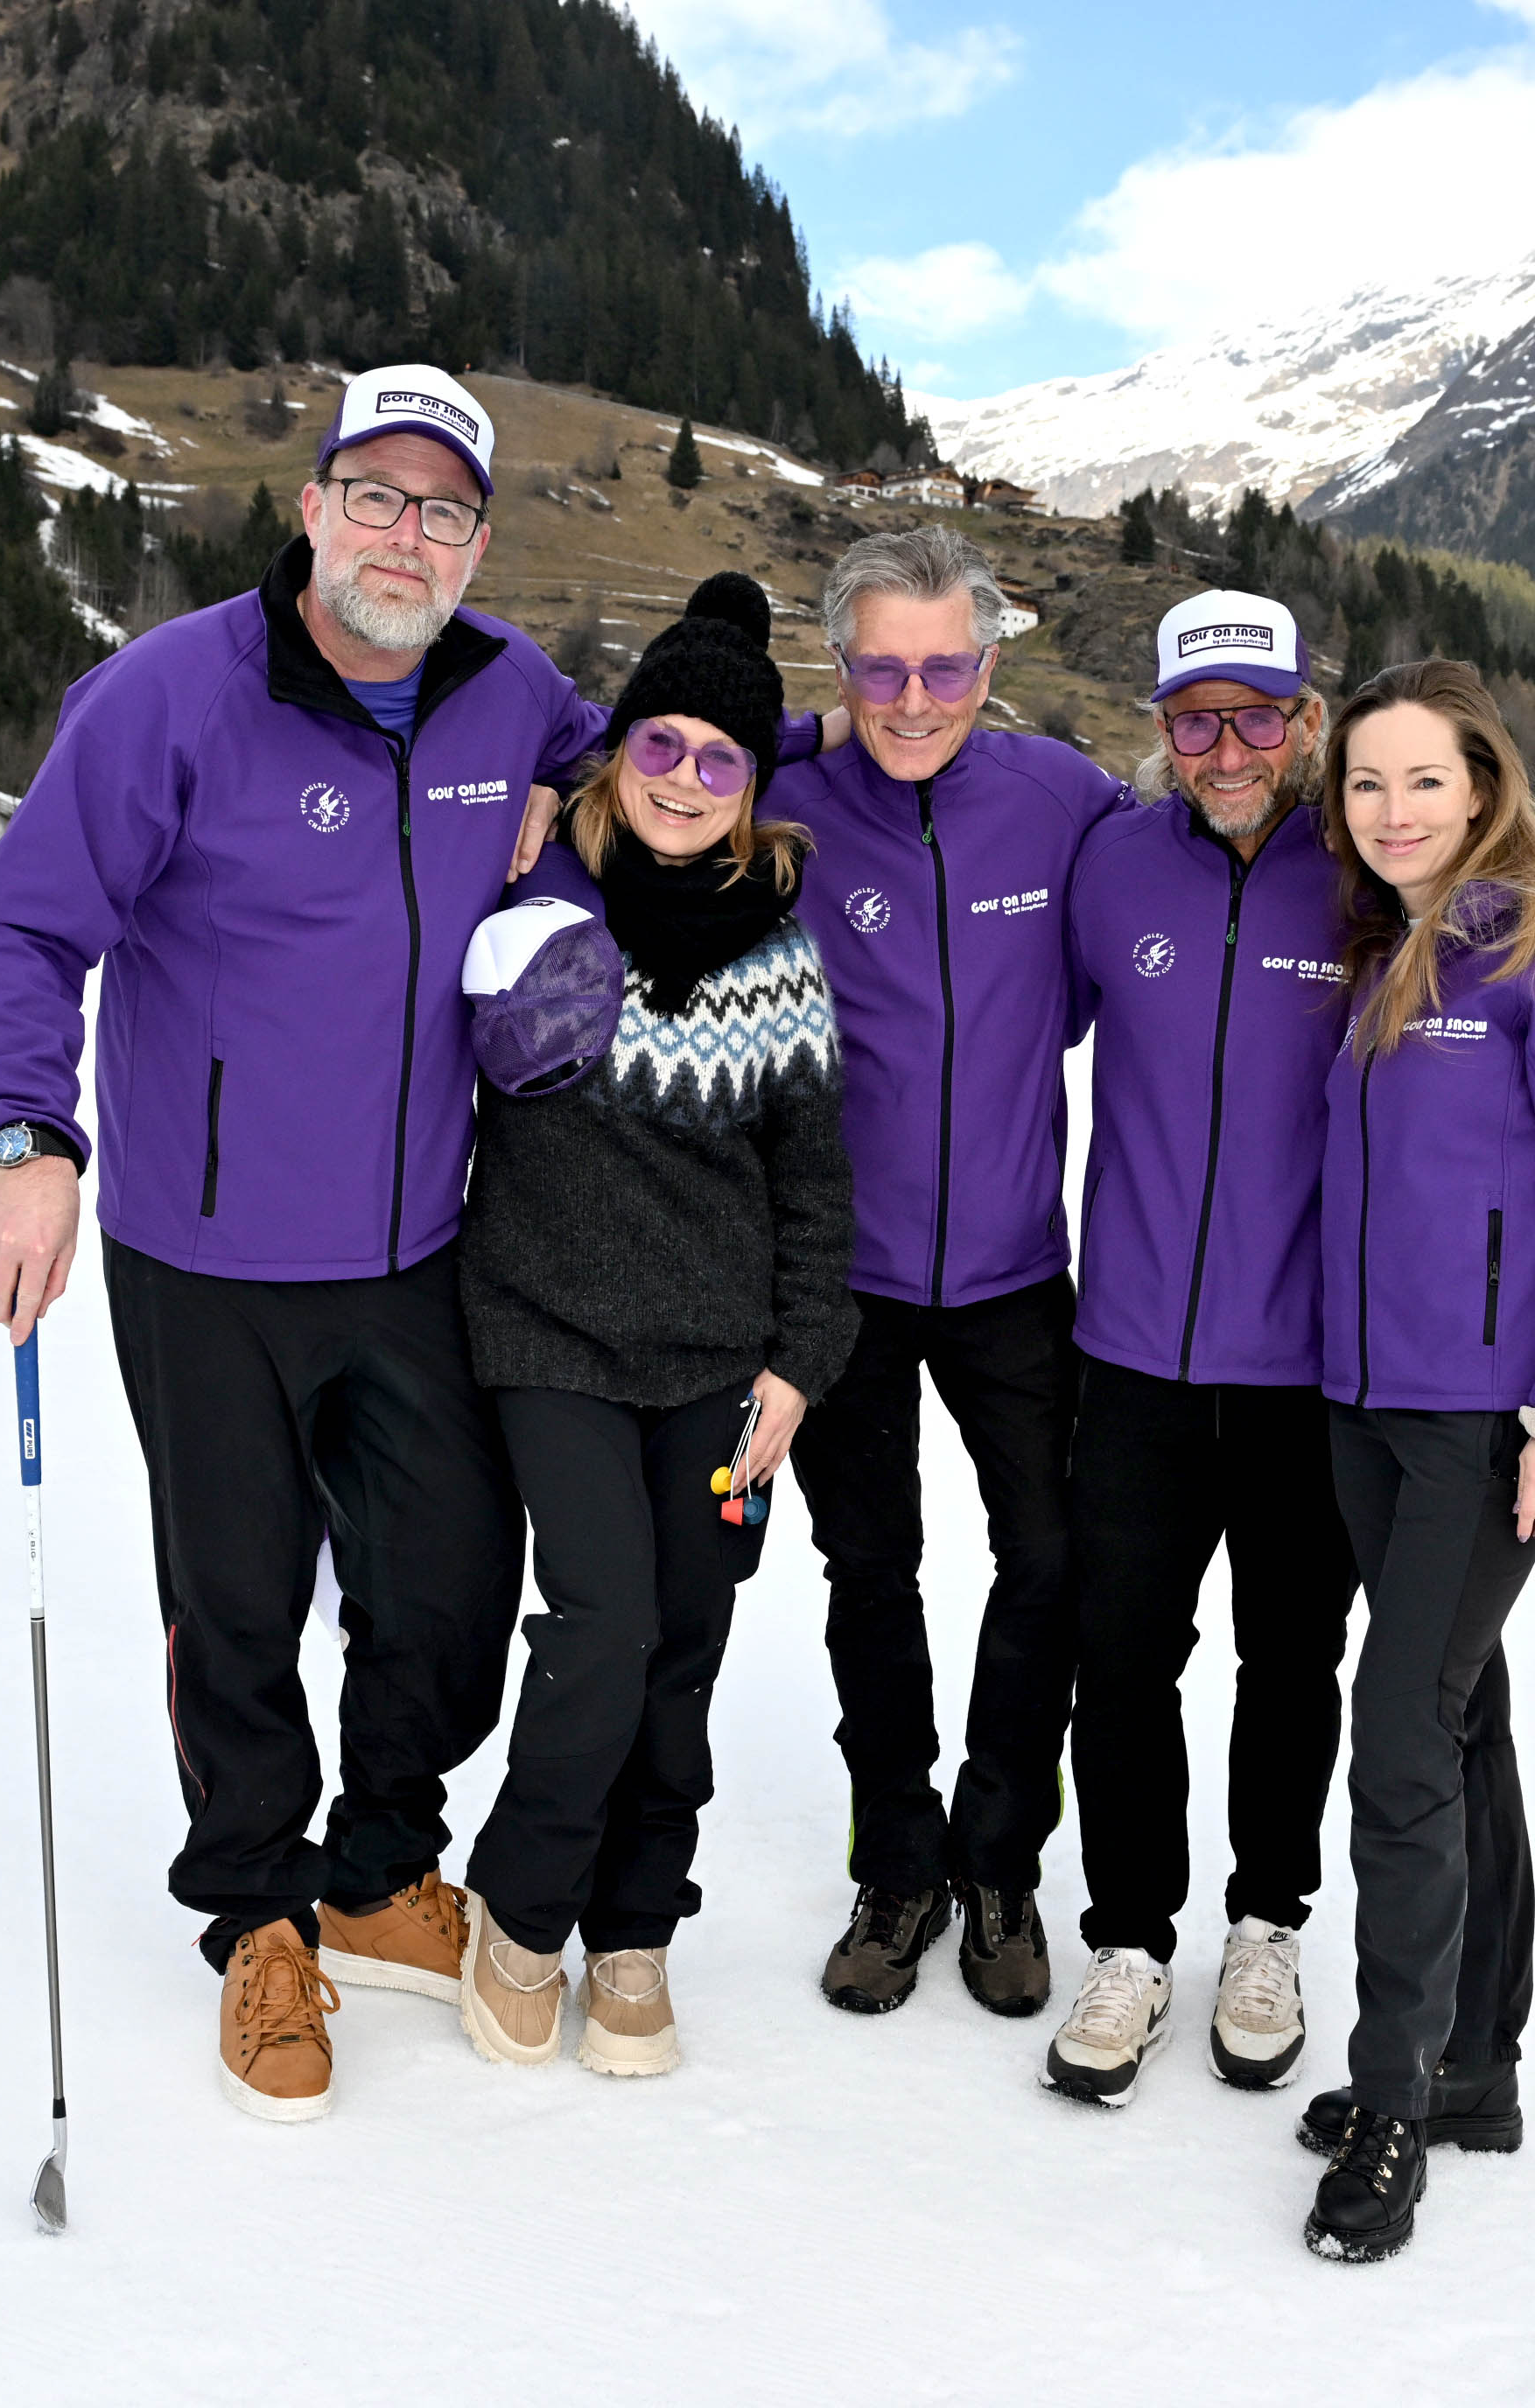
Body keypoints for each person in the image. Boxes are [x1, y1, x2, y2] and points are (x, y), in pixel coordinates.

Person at [0, 365, 641, 2124]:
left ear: (478, 542)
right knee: (236, 1599)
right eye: (377, 496)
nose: (407, 536)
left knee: (452, 1579)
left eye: (445, 511)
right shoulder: (173, 695)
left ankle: (379, 1863)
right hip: (203, 1254)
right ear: (315, 506)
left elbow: (636, 764)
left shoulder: (511, 691)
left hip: (415, 1240)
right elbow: (20, 930)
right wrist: (27, 1143)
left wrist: (569, 836)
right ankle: (258, 1913)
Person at [443, 574, 858, 2076]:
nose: (686, 779)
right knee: (603, 1627)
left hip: (720, 1371)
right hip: (545, 1334)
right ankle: (523, 1909)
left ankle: (636, 1928)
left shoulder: (782, 958)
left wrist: (799, 1365)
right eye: (661, 746)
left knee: (684, 1642)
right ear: (618, 755)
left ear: (753, 783)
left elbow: (814, 1185)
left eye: (720, 757)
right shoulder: (539, 899)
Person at [1295, 658, 1535, 2262]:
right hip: (1364, 1408)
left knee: (1397, 1743)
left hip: (1486, 1421)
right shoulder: (1385, 946)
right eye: (1367, 782)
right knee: (1460, 1725)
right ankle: (1472, 2064)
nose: (1393, 811)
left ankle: (1394, 2103)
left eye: (1424, 780)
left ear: (1485, 785)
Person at [763, 523, 1129, 2017]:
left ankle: (999, 1860)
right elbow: (650, 763)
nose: (915, 699)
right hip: (836, 1278)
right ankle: (898, 1862)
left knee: (1047, 1560)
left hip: (1013, 1271)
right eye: (881, 669)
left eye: (946, 667)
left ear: (988, 662)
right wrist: (785, 734)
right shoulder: (781, 801)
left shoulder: (1062, 800)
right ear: (839, 669)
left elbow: (1188, 892)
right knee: (872, 1570)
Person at [1040, 592, 1358, 2107]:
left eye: (1256, 718)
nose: (1226, 751)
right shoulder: (1112, 863)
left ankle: (1266, 1926)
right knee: (1122, 1662)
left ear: (1306, 721)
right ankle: (1127, 1942)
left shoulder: (1368, 874)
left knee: (1292, 1662)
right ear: (1160, 728)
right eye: (1194, 721)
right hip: (1134, 1355)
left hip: (1311, 1367)